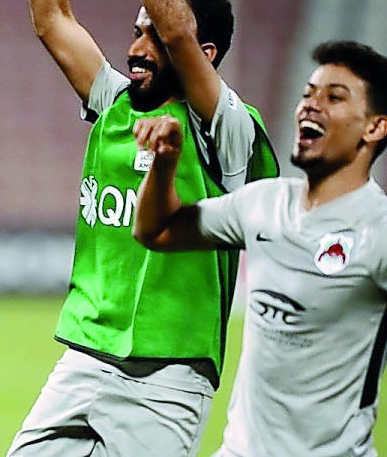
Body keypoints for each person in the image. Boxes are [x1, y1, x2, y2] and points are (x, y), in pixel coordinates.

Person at [8, 0, 278, 457]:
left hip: (168, 375)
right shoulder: (113, 103)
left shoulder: (227, 133)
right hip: (84, 354)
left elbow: (180, 36)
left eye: (152, 36)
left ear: (204, 54)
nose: (135, 49)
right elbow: (53, 21)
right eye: (136, 32)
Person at [132, 40, 387, 457]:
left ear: (374, 127)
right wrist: (165, 161)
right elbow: (156, 231)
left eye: (334, 97)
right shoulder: (263, 204)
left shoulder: (378, 230)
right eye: (308, 93)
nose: (310, 105)